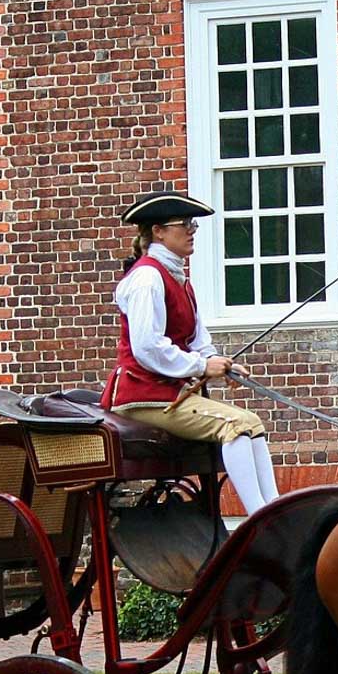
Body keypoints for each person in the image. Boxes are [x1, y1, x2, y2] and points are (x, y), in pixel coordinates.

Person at [102, 190, 278, 515]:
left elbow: (198, 339)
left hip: (166, 394)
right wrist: (199, 365)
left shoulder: (178, 279)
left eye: (192, 224)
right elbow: (147, 347)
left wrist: (221, 365)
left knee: (252, 423)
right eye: (184, 223)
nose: (192, 230)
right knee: (236, 426)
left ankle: (275, 508)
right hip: (142, 397)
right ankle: (260, 518)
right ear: (159, 232)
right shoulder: (147, 279)